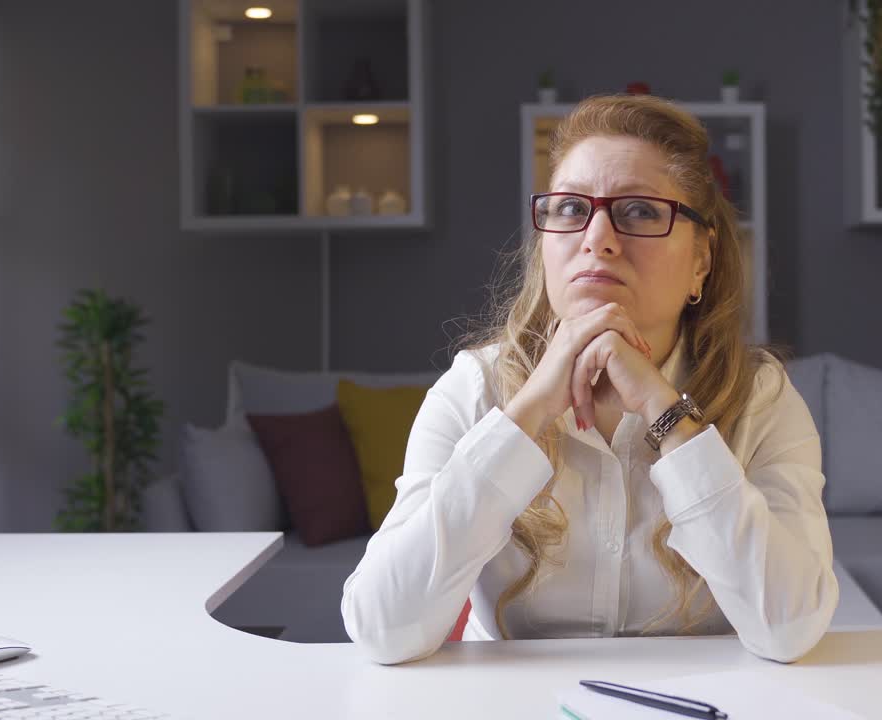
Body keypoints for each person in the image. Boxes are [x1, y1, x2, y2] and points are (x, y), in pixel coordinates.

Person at [341, 94, 837, 665]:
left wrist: (662, 407)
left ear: (701, 259)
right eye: (572, 209)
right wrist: (526, 413)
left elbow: (791, 628)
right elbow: (382, 628)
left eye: (641, 211)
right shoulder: (474, 389)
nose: (597, 237)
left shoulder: (761, 397)